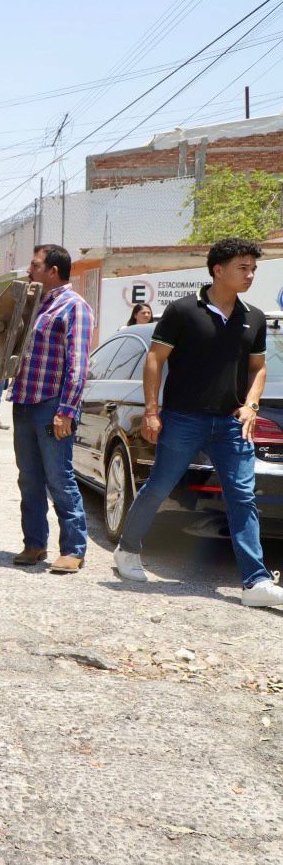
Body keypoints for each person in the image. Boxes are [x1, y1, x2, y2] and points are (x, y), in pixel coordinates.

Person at [113, 239, 283, 607]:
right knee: (159, 486)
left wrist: (251, 405)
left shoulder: (252, 317)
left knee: (242, 497)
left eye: (254, 268)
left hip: (230, 423)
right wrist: (153, 411)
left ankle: (254, 582)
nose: (251, 274)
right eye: (243, 267)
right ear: (218, 269)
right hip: (183, 418)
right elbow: (155, 360)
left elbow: (259, 367)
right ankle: (127, 550)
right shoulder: (182, 311)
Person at [10, 244, 93, 573]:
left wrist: (66, 411)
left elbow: (77, 365)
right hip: (24, 403)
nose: (30, 270)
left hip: (51, 407)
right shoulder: (35, 305)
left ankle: (73, 550)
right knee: (29, 479)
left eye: (35, 265)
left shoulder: (75, 307)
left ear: (53, 271)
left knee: (59, 479)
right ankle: (34, 545)